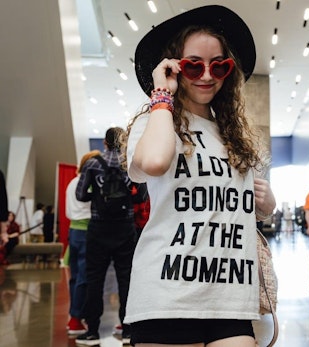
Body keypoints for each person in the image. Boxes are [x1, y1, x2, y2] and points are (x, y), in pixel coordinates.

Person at [122, 5, 276, 346]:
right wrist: (162, 95)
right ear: (174, 66)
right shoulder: (155, 121)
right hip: (168, 294)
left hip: (231, 295)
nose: (207, 75)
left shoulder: (235, 133)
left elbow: (239, 203)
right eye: (193, 65)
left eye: (218, 65)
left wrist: (267, 204)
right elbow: (156, 163)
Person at [75, 128, 136, 345]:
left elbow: (80, 195)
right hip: (125, 228)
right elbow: (142, 196)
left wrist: (99, 195)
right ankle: (128, 329)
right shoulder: (129, 163)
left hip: (99, 227)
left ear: (105, 142)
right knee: (126, 279)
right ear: (123, 142)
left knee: (95, 279)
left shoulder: (93, 164)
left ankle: (92, 330)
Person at [65, 150, 100, 335]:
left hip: (73, 231)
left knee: (75, 276)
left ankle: (74, 317)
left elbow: (67, 212)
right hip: (87, 230)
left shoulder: (71, 182)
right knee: (84, 278)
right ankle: (76, 319)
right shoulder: (90, 182)